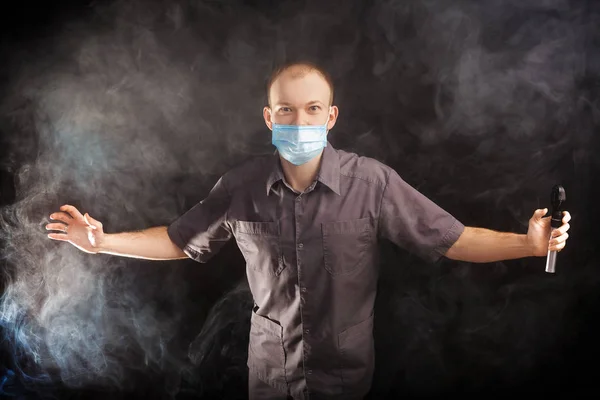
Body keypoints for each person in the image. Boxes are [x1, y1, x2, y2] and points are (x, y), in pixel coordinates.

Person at [46, 61, 572, 400]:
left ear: (332, 116)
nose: (301, 121)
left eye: (313, 109)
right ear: (270, 118)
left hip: (345, 382)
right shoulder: (241, 185)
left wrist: (526, 244)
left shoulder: (373, 183)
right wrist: (103, 242)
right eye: (287, 110)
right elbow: (182, 241)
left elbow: (451, 238)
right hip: (268, 380)